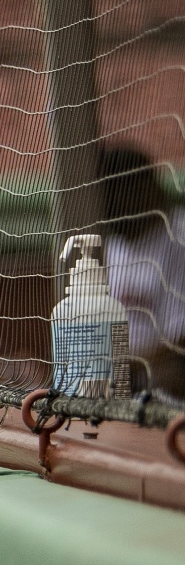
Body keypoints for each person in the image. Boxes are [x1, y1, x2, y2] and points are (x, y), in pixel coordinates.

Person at [98, 143, 185, 401]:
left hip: (167, 391)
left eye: (114, 192)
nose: (106, 204)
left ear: (144, 189)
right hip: (124, 385)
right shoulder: (113, 245)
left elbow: (178, 342)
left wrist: (122, 364)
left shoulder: (178, 238)